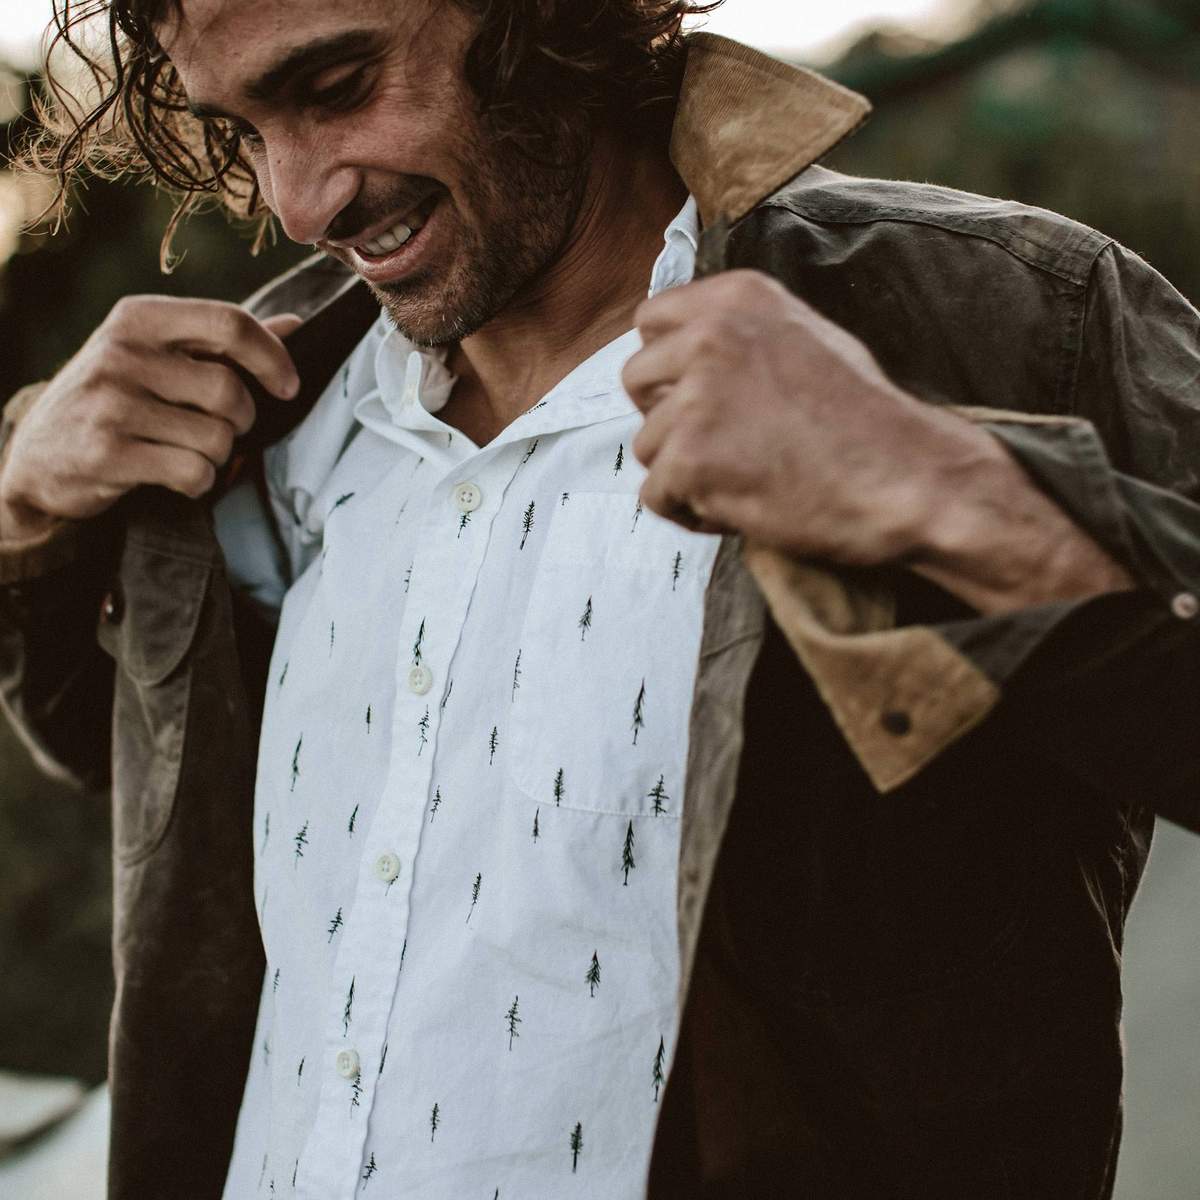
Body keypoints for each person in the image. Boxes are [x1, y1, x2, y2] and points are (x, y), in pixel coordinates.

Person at [1, 1, 1197, 1196]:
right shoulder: (262, 406)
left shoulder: (1002, 312)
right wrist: (28, 514)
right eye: (244, 129)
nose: (298, 202)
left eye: (337, 86)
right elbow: (139, 768)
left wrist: (946, 490)